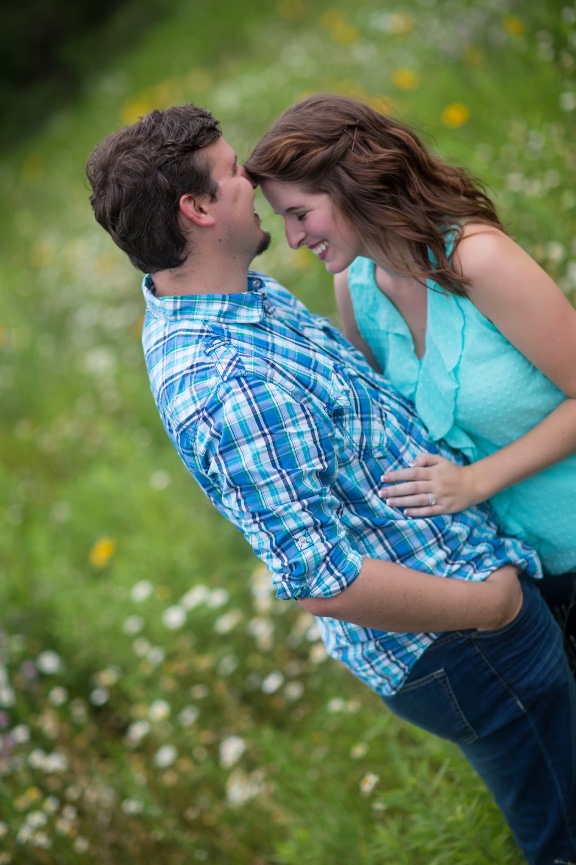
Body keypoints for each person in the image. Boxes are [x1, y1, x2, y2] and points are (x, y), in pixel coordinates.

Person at [85, 103, 576, 865]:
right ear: (198, 209)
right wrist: (494, 603)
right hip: (465, 633)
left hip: (497, 573)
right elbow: (320, 577)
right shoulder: (225, 380)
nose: (250, 184)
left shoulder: (247, 300)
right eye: (233, 175)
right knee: (564, 832)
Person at [245, 92, 576, 671]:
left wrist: (475, 481)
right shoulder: (357, 288)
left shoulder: (478, 260)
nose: (293, 239)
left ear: (351, 185)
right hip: (520, 572)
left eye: (299, 213)